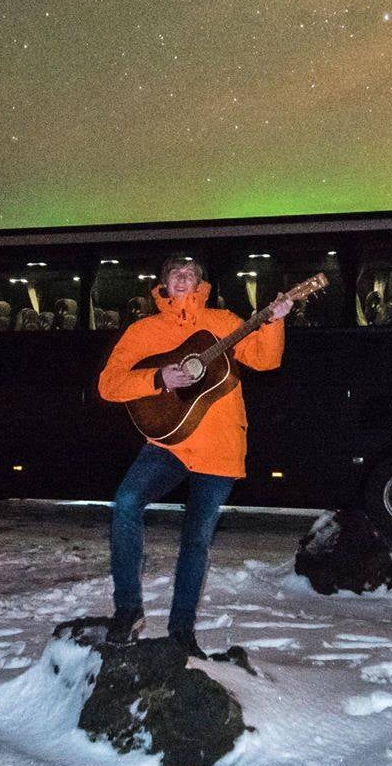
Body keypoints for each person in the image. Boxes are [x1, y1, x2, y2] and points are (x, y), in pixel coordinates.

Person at [97, 254, 290, 656]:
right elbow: (109, 384)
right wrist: (156, 377)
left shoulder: (223, 322)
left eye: (191, 273)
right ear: (163, 284)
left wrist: (276, 320)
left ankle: (182, 631)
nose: (183, 278)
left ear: (200, 283)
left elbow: (266, 360)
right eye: (175, 273)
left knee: (195, 540)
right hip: (168, 443)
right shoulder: (143, 330)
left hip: (218, 447)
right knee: (126, 502)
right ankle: (128, 609)